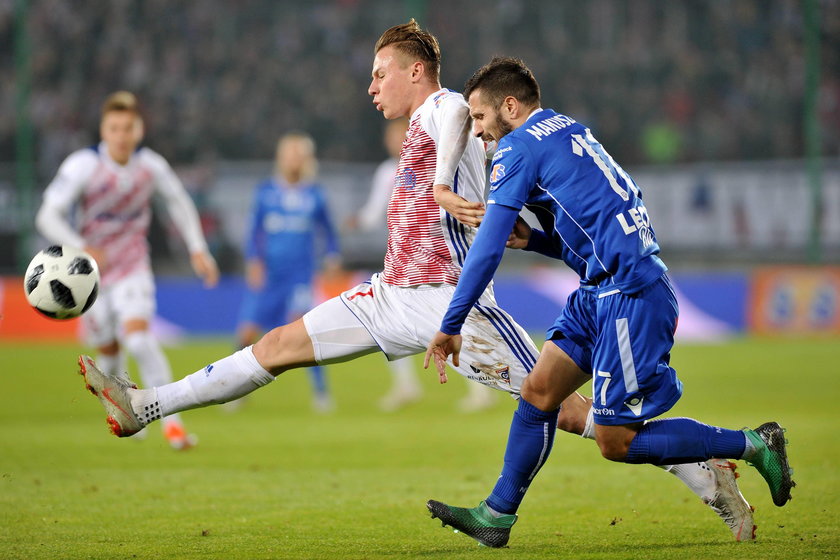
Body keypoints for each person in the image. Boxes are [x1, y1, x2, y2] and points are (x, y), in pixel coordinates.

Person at [77, 23, 752, 540]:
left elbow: (457, 111)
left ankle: (701, 471)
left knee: (566, 410)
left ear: (415, 72)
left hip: (445, 307)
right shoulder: (419, 129)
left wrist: (437, 178)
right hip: (389, 294)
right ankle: (147, 407)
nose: (371, 88)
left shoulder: (443, 110)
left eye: (380, 75)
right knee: (279, 345)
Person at [423, 57, 794, 547]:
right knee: (539, 394)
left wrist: (452, 323)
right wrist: (533, 242)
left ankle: (751, 444)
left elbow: (487, 245)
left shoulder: (518, 147)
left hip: (629, 293)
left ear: (509, 106)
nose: (475, 131)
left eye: (479, 116)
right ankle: (496, 516)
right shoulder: (568, 132)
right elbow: (593, 234)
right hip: (601, 288)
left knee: (614, 441)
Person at [36, 91, 219, 450]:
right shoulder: (83, 165)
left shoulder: (150, 165)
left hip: (133, 266)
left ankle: (174, 425)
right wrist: (80, 245)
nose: (121, 134)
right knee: (108, 351)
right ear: (104, 130)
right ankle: (128, 417)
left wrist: (198, 249)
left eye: (128, 127)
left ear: (140, 130)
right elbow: (46, 214)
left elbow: (179, 203)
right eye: (114, 127)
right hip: (89, 276)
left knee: (138, 338)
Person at [346, 117, 495, 413]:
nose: (392, 141)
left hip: (438, 261)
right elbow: (375, 213)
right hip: (401, 263)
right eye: (389, 136)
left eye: (398, 134)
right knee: (387, 321)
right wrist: (358, 221)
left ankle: (481, 387)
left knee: (445, 325)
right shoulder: (387, 172)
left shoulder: (436, 162)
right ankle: (407, 386)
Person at [235, 132, 340, 413]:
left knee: (302, 333)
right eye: (289, 153)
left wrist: (332, 256)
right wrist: (253, 260)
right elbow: (254, 231)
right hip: (269, 275)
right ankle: (236, 391)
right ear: (281, 158)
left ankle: (321, 393)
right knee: (247, 332)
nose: (293, 159)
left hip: (299, 277)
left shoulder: (315, 194)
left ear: (306, 159)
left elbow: (328, 231)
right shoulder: (266, 192)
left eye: (298, 154)